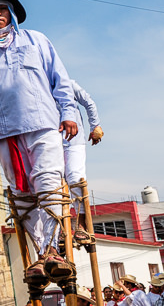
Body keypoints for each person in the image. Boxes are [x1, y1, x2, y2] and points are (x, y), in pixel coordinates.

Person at [0, 0, 78, 283]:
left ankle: (53, 249)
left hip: (43, 124)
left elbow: (60, 80)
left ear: (12, 14)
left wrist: (68, 113)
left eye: (2, 9)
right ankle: (42, 254)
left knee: (48, 183)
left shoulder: (36, 41)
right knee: (22, 194)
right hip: (5, 133)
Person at [63, 79, 103, 245]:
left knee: (75, 179)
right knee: (54, 186)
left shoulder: (67, 83)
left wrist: (95, 126)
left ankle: (81, 225)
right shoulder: (36, 86)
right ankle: (60, 231)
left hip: (74, 141)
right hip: (50, 143)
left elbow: (88, 102)